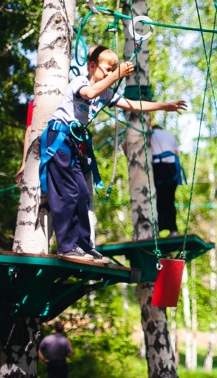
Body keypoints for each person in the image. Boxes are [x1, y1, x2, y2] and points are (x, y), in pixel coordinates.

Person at [39, 45, 188, 260]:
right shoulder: (80, 82)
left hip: (74, 142)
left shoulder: (106, 93)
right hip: (60, 138)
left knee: (82, 194)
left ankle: (83, 245)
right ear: (91, 66)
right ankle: (66, 246)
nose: (109, 74)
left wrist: (164, 106)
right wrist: (117, 75)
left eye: (112, 71)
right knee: (68, 193)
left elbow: (133, 105)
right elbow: (90, 92)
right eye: (106, 69)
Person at [151, 124, 185, 237]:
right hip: (171, 167)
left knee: (156, 199)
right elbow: (177, 154)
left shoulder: (148, 135)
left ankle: (156, 230)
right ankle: (172, 230)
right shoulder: (170, 135)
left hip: (156, 166)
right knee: (170, 199)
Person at [16, 100, 34, 185]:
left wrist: (25, 163)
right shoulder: (34, 104)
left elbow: (29, 132)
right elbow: (29, 131)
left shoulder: (34, 103)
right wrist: (24, 164)